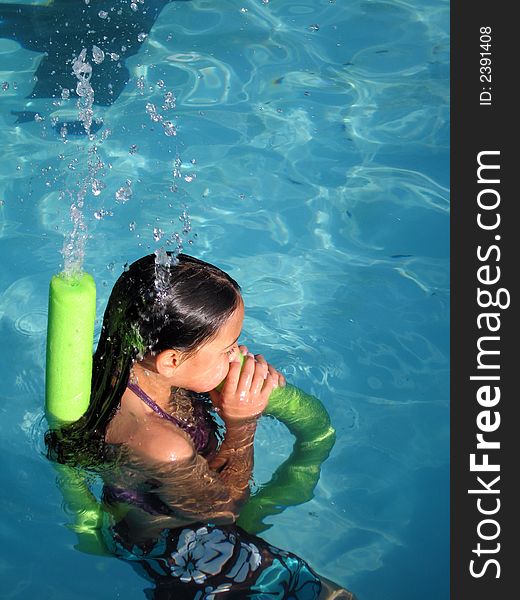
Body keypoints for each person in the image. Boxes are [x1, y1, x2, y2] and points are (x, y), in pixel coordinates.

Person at [45, 252, 355, 599]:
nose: (239, 353)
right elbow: (223, 511)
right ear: (172, 361)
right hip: (180, 550)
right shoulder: (164, 447)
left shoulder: (120, 369)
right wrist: (242, 424)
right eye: (227, 349)